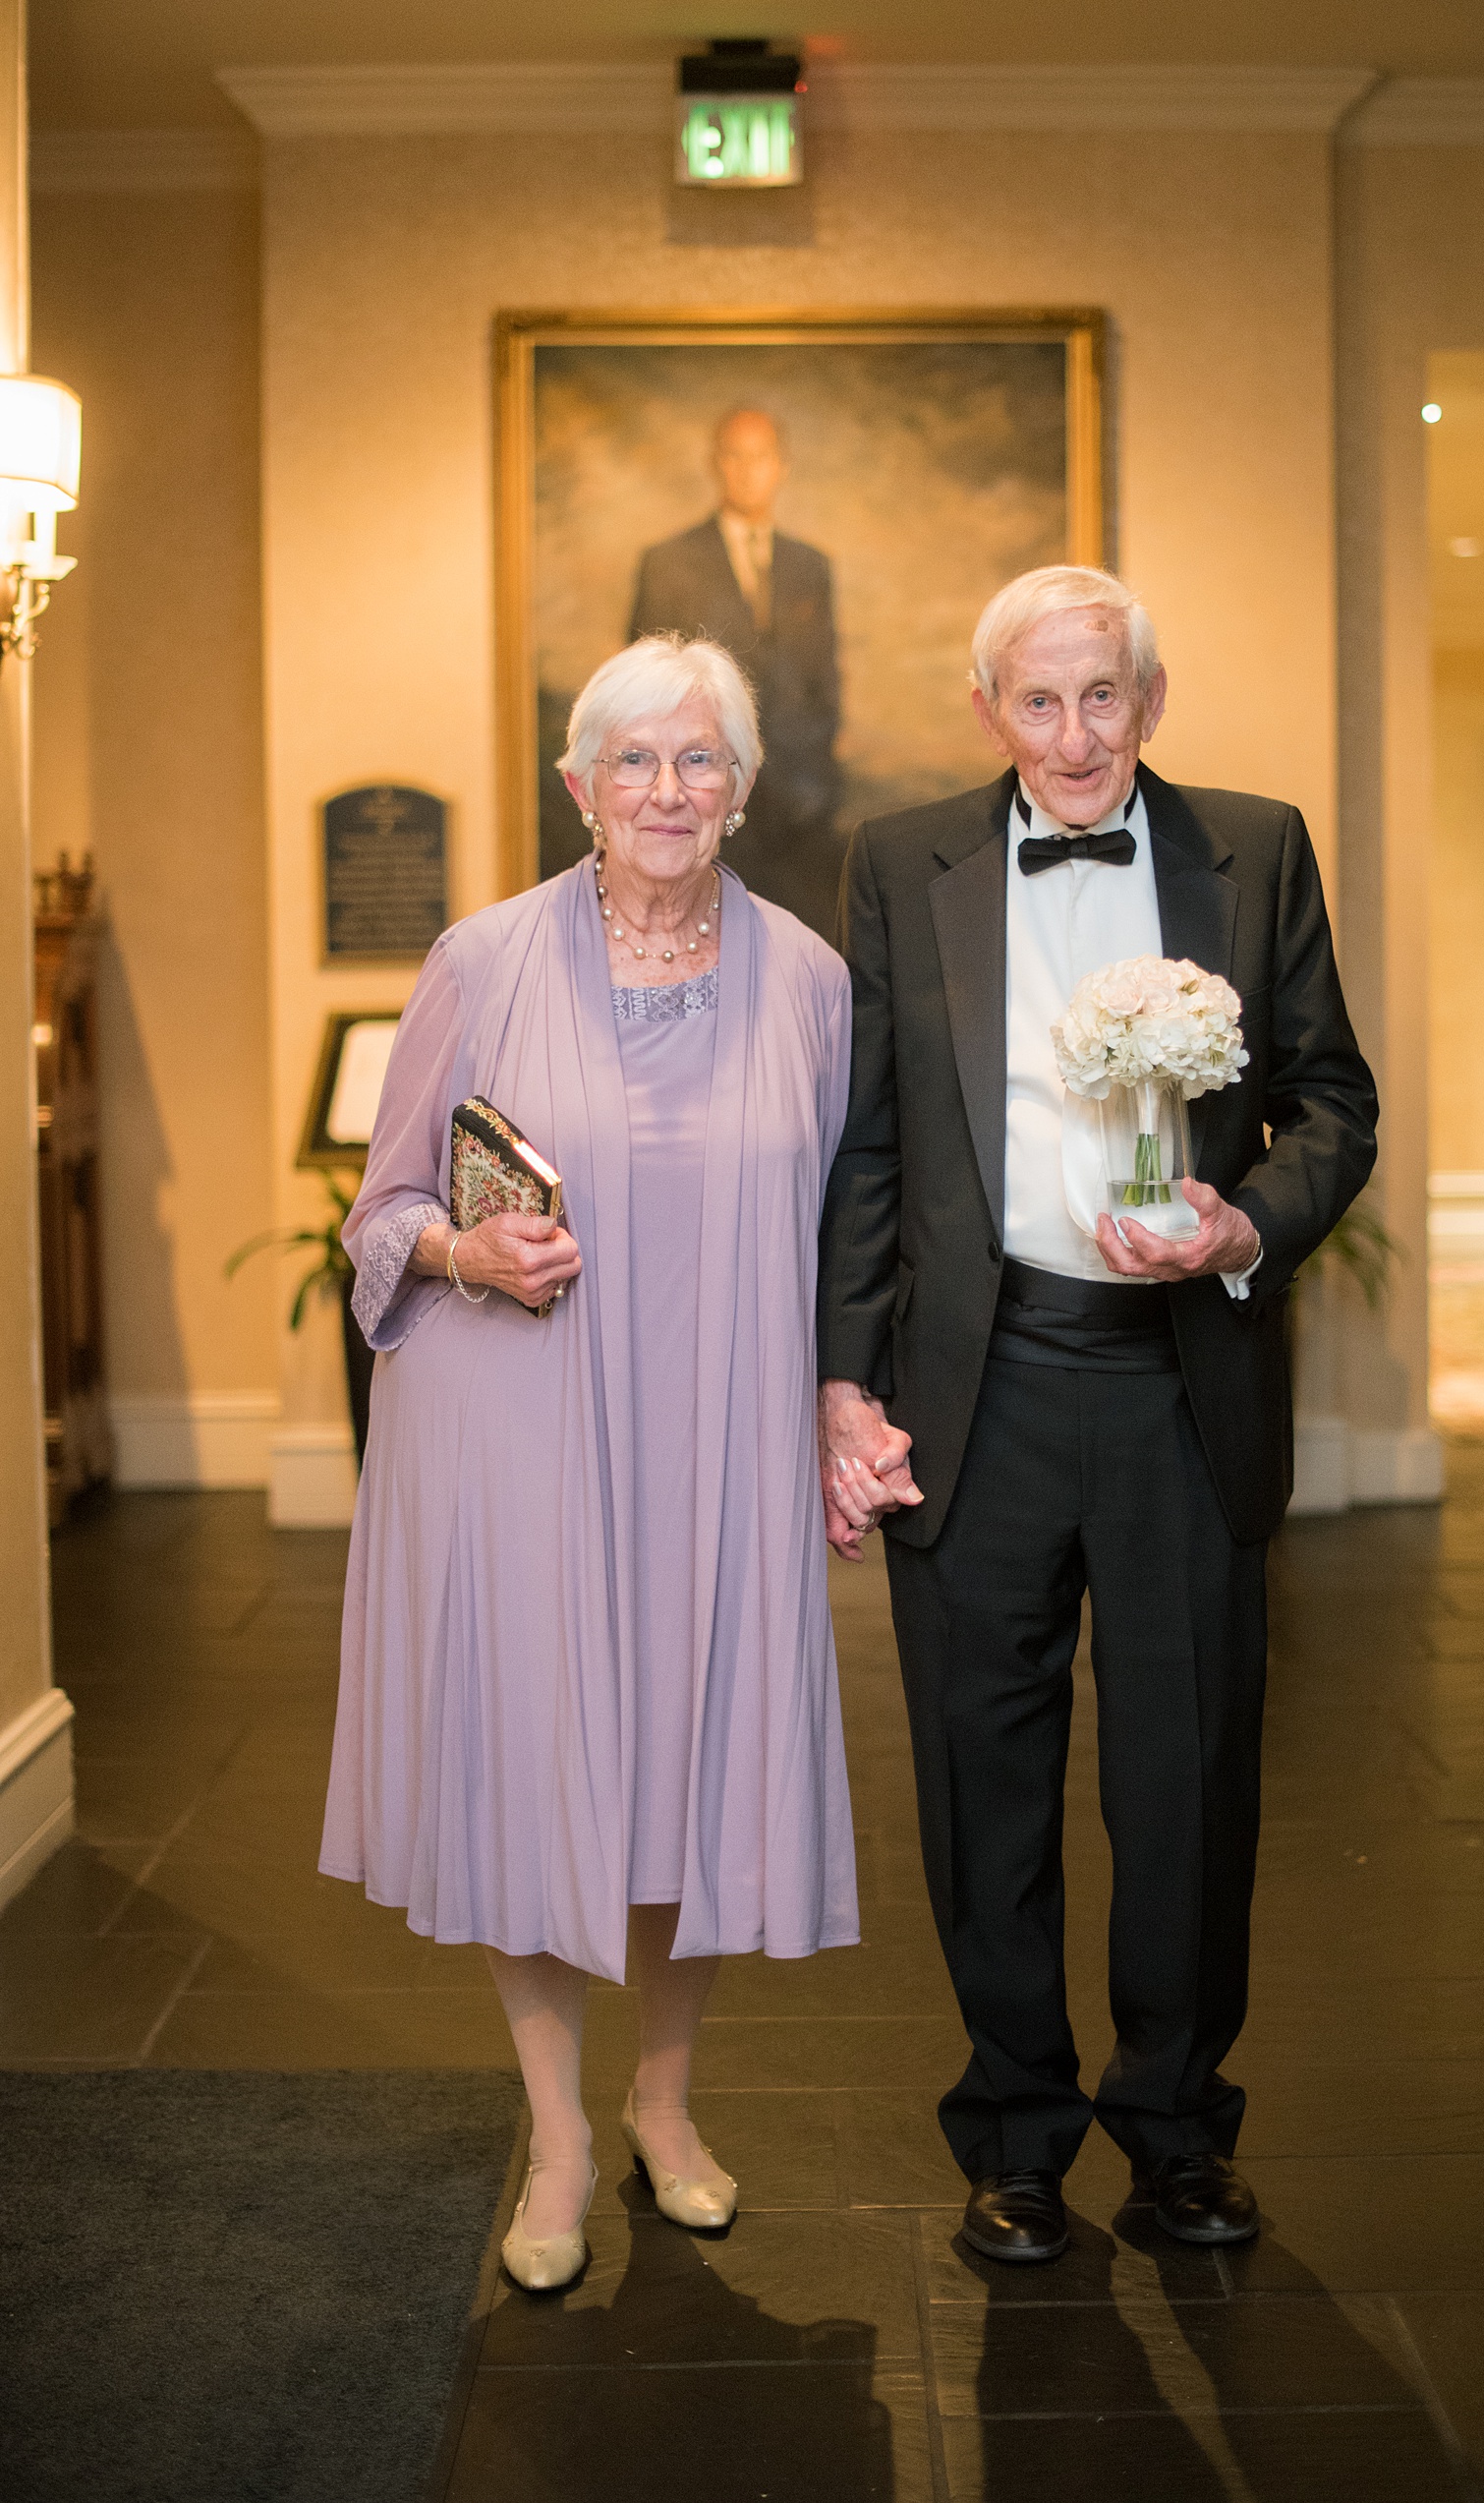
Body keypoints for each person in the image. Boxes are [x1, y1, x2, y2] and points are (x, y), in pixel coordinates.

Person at [816, 565, 1378, 2264]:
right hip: (971, 1393)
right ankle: (1014, 2132)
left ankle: (1180, 2129)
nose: (1074, 735)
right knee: (985, 1777)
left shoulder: (1257, 847)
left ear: (1153, 700)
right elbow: (869, 1146)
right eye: (1038, 701)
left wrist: (1246, 1221)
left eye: (1104, 697)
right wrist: (842, 1379)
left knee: (1189, 1771)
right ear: (990, 712)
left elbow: (1333, 1104)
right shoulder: (898, 862)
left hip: (1177, 1380)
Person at [321, 635, 859, 2292]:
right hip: (519, 1425)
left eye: (698, 760)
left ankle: (666, 2105)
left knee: (690, 1765)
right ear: (578, 787)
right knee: (534, 1760)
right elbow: (383, 1207)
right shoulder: (482, 960)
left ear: (744, 789)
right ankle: (555, 2131)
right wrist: (467, 1259)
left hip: (716, 1432)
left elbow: (840, 1230)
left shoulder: (815, 982)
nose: (667, 791)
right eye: (633, 761)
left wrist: (840, 1407)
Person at [629, 407, 842, 942]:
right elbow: (643, 698)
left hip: (801, 813)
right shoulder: (668, 563)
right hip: (702, 805)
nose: (748, 470)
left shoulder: (810, 566)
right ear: (714, 464)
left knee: (798, 966)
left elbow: (825, 684)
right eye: (735, 455)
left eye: (761, 456)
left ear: (782, 466)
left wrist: (815, 781)